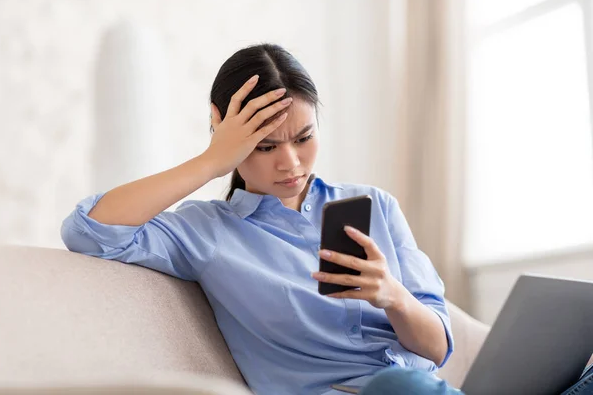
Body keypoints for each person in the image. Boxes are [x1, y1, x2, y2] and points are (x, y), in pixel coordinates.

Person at [60, 44, 591, 395]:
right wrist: (210, 161)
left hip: (428, 388)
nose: (290, 163)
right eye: (264, 145)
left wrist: (392, 295)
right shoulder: (205, 232)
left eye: (304, 137)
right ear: (226, 134)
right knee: (397, 388)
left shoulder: (373, 205)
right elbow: (89, 229)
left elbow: (436, 346)